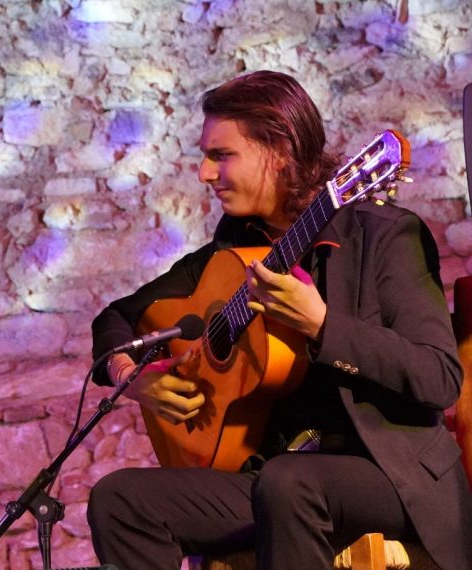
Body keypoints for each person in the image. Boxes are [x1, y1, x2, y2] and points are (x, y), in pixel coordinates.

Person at [86, 71, 472, 569]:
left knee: (289, 482)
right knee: (121, 499)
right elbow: (117, 317)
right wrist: (132, 378)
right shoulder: (232, 251)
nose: (205, 173)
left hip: (391, 475)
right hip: (276, 476)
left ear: (280, 153)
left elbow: (439, 379)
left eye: (221, 156)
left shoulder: (385, 237)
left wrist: (323, 326)